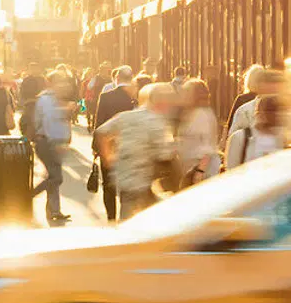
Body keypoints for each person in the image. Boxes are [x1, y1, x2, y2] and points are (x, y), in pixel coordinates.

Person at [94, 81, 176, 220]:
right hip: (141, 181)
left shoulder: (126, 116)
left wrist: (108, 157)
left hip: (124, 177)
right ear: (162, 103)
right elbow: (164, 155)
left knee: (133, 213)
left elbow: (100, 132)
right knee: (137, 217)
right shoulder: (156, 121)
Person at [90, 66, 139, 220]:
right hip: (129, 146)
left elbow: (99, 123)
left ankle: (111, 218)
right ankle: (125, 218)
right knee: (127, 186)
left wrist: (95, 147)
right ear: (131, 79)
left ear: (116, 79)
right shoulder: (134, 98)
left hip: (108, 147)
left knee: (109, 185)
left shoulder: (105, 97)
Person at [30, 71, 73, 226]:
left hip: (53, 142)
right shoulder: (46, 99)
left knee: (52, 177)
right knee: (56, 178)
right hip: (47, 142)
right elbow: (48, 122)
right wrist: (55, 141)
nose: (64, 85)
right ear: (51, 83)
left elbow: (63, 120)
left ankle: (54, 210)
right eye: (60, 81)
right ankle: (28, 195)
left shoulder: (57, 99)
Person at [177, 80, 221, 186]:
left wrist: (199, 172)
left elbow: (207, 147)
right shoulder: (190, 113)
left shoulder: (202, 115)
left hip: (202, 170)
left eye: (186, 92)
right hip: (192, 168)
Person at [226, 95, 286, 167]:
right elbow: (232, 170)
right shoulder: (240, 137)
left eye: (277, 111)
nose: (275, 115)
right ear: (258, 113)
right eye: (269, 111)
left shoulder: (282, 140)